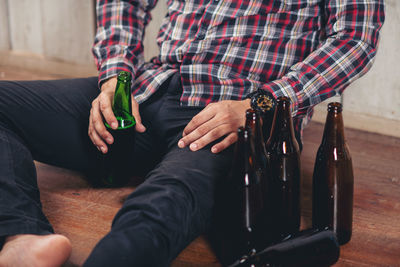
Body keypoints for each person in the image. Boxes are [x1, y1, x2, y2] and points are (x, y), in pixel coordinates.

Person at [0, 0, 384, 266]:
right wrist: (115, 77)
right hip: (146, 88)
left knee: (164, 203)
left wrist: (260, 105)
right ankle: (21, 235)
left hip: (231, 111)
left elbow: (355, 38)